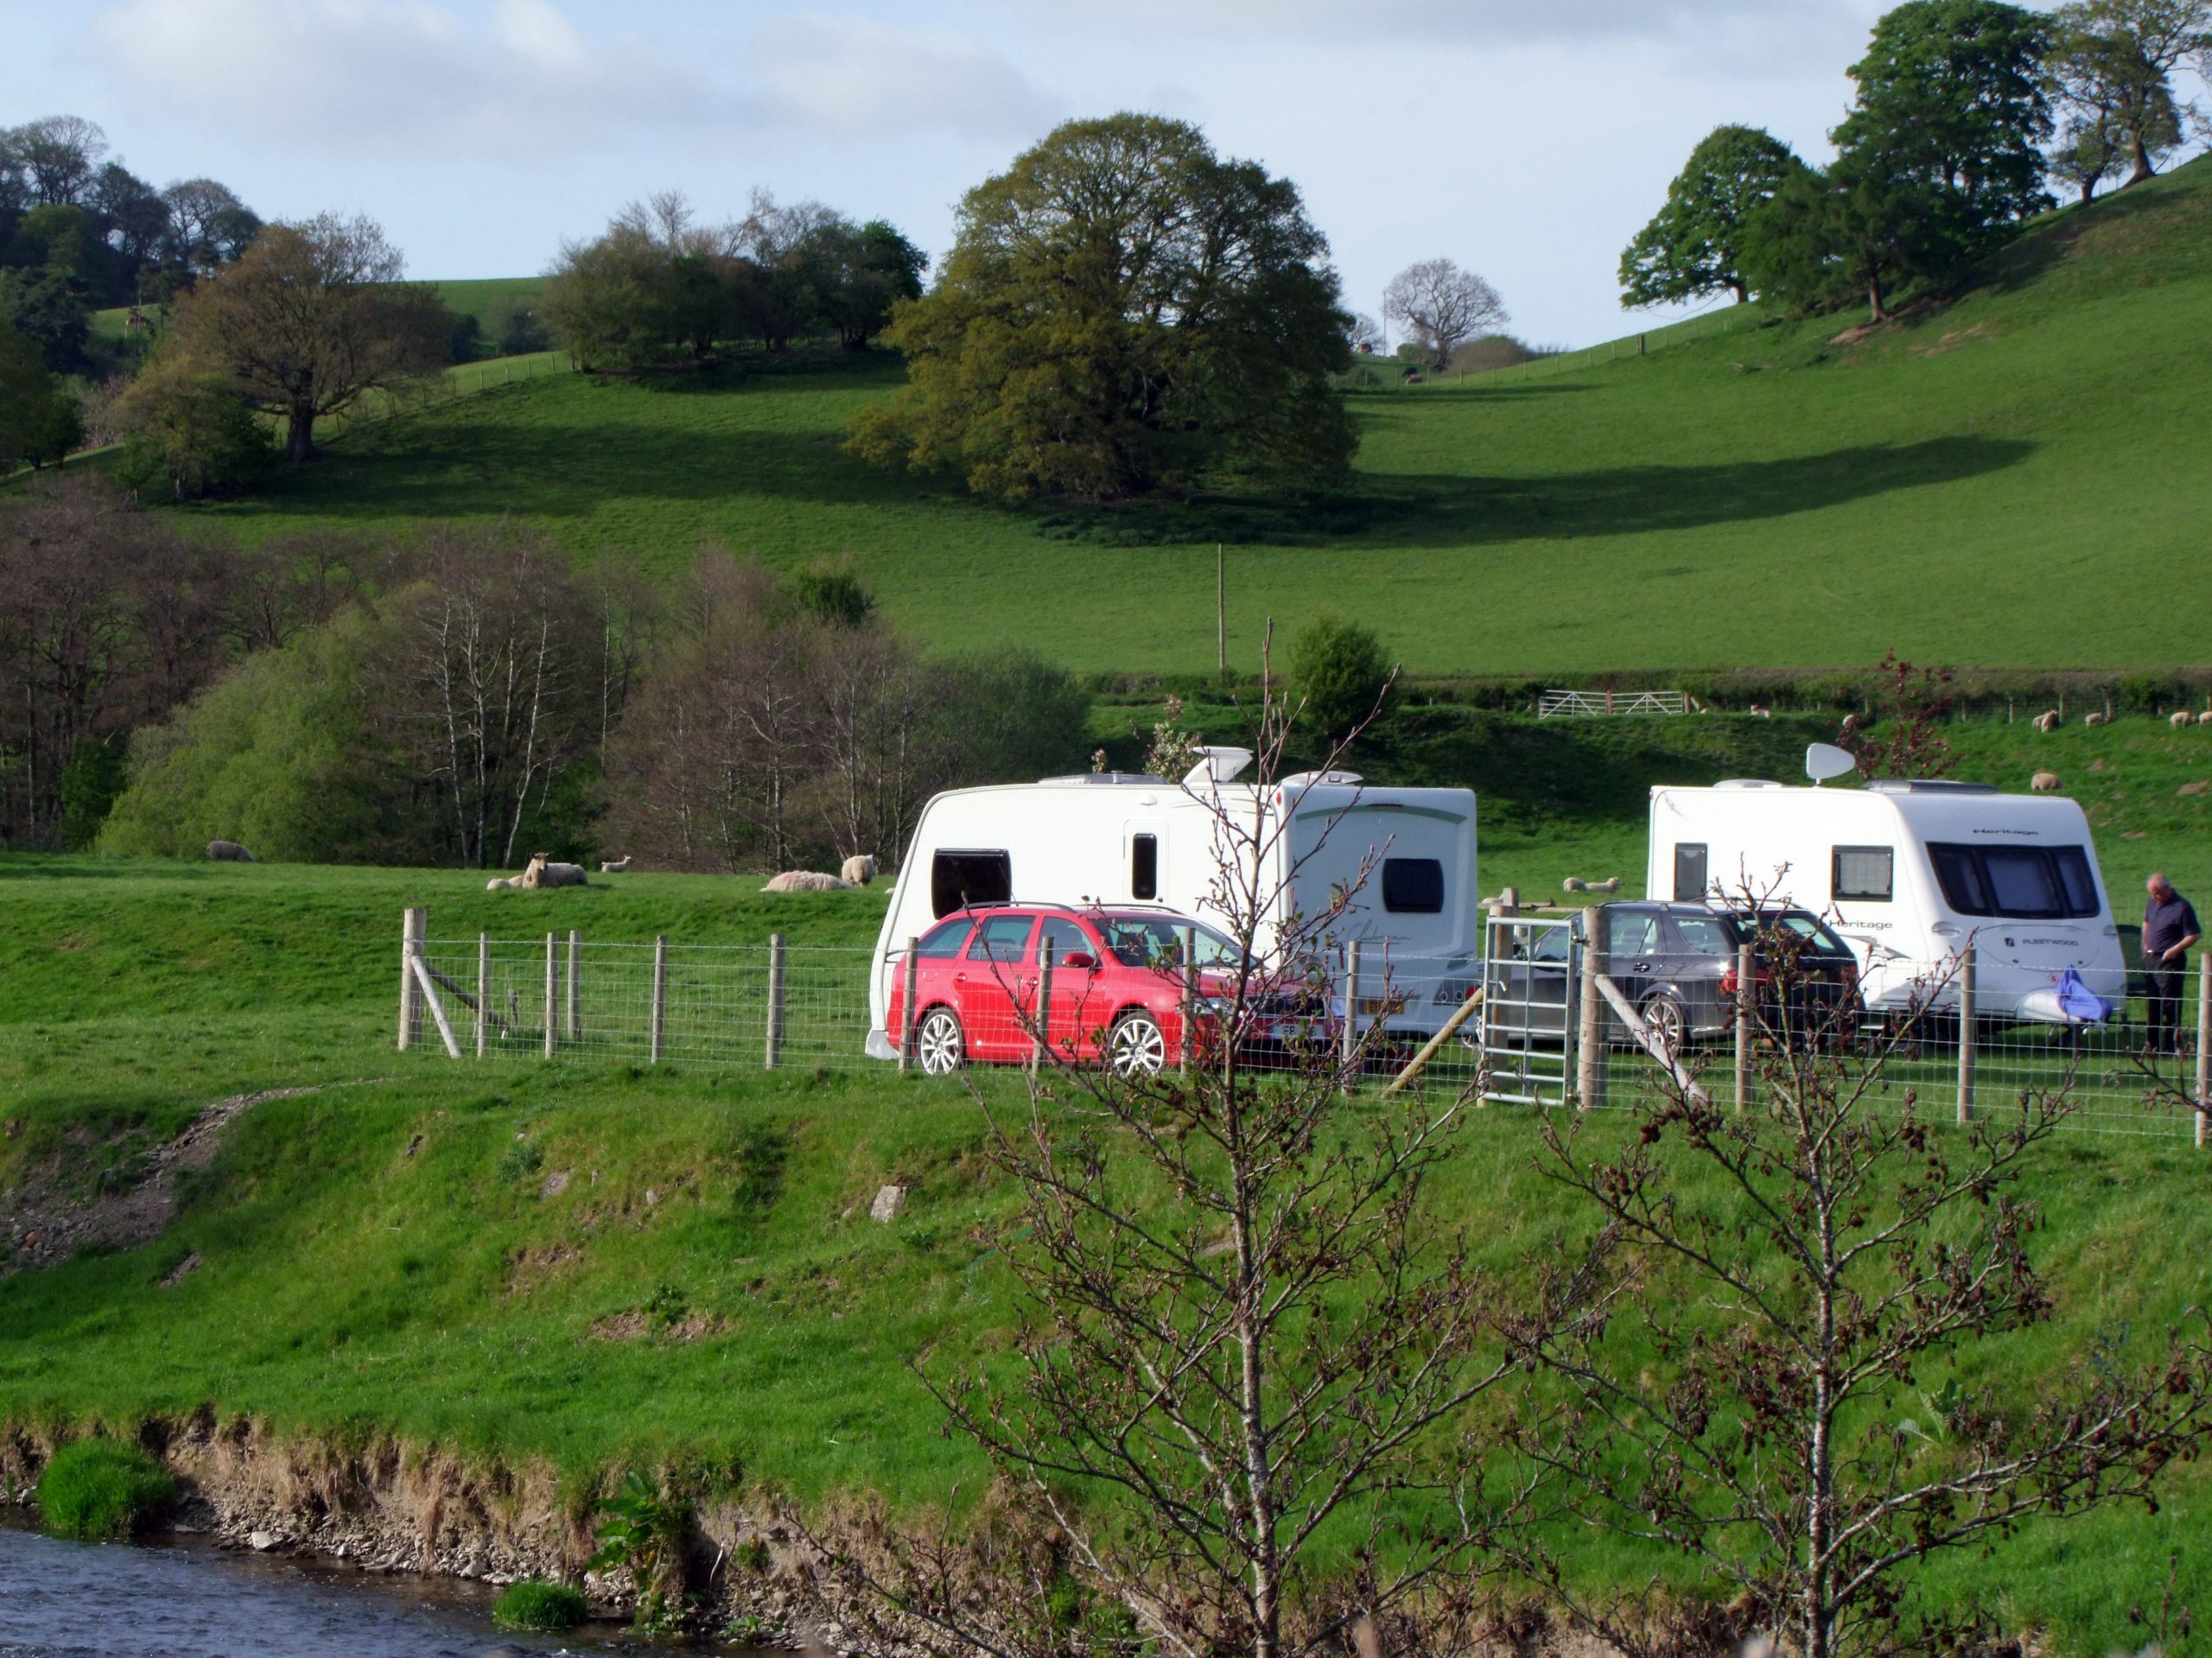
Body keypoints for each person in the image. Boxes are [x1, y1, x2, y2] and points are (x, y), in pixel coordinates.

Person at [2141, 873, 2201, 1056]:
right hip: (2151, 959)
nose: (2154, 896)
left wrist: (2174, 950)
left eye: (2157, 893)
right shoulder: (2152, 903)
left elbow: (2193, 934)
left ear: (2167, 889)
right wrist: (2145, 943)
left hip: (2169, 962)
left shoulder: (2181, 907)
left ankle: (2171, 1044)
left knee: (2170, 1003)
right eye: (2152, 893)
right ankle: (2152, 1043)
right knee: (2153, 1003)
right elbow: (2146, 922)